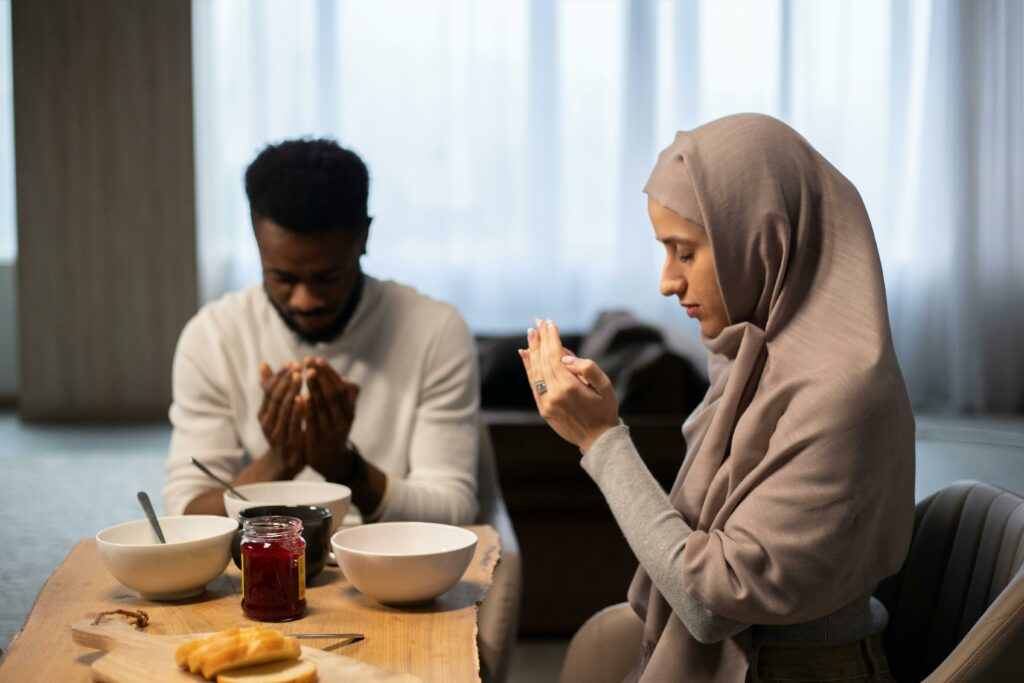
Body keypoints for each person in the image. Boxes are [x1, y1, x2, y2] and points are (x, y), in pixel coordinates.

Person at [521, 114, 914, 682]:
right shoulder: (753, 361)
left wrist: (601, 440)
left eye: (684, 252)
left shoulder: (842, 397)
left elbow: (713, 603)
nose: (667, 281)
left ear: (759, 238)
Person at [162, 138, 479, 526]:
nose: (305, 300)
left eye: (327, 277)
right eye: (281, 277)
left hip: (396, 562)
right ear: (257, 239)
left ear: (364, 236)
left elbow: (454, 511)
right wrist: (279, 461)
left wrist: (344, 466)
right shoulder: (212, 337)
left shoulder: (435, 331)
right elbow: (185, 513)